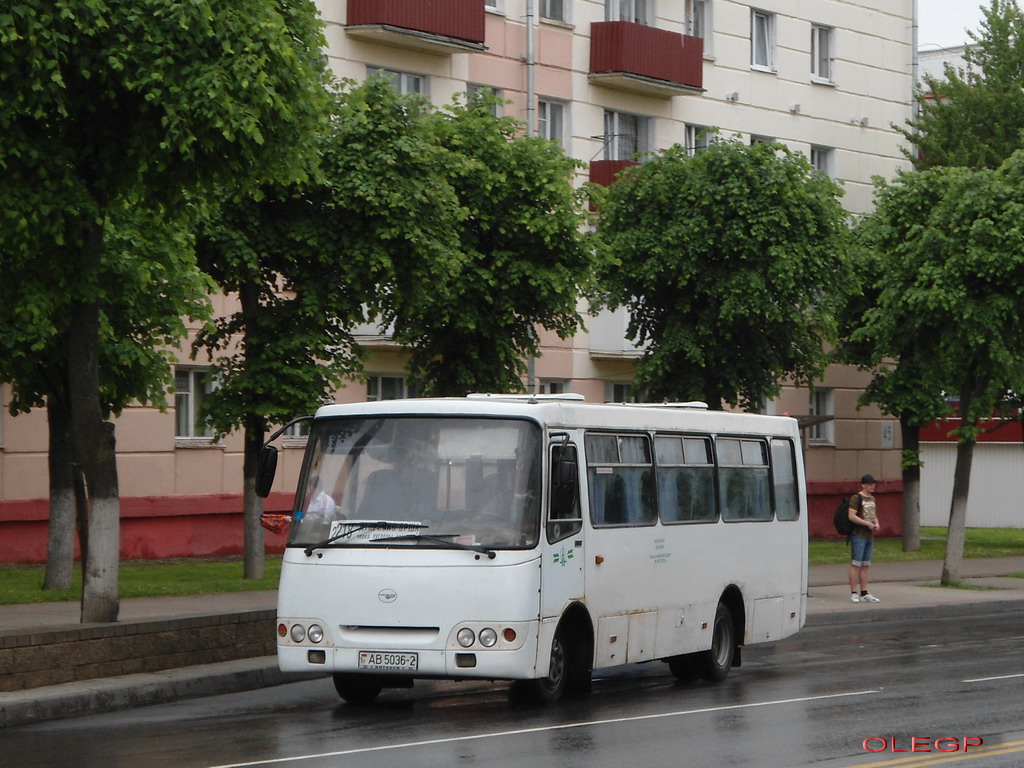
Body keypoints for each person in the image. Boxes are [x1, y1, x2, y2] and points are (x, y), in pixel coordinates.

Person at [848, 474, 881, 603]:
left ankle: (864, 592)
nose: (873, 486)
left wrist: (876, 523)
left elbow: (873, 514)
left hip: (869, 536)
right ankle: (853, 592)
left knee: (866, 565)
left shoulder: (872, 499)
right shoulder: (857, 498)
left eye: (873, 483)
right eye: (870, 484)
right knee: (856, 563)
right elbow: (851, 516)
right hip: (858, 535)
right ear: (863, 485)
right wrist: (866, 523)